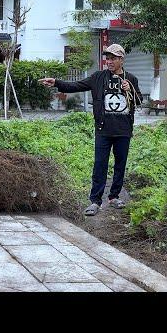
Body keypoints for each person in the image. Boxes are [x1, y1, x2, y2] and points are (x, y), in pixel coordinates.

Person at [39, 44, 143, 216]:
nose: (109, 62)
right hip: (103, 129)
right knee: (100, 164)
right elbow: (76, 86)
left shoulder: (131, 78)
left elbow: (138, 100)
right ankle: (95, 201)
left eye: (113, 58)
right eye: (107, 58)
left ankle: (114, 196)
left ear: (121, 60)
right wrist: (56, 82)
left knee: (120, 165)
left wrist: (129, 90)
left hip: (123, 130)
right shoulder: (98, 77)